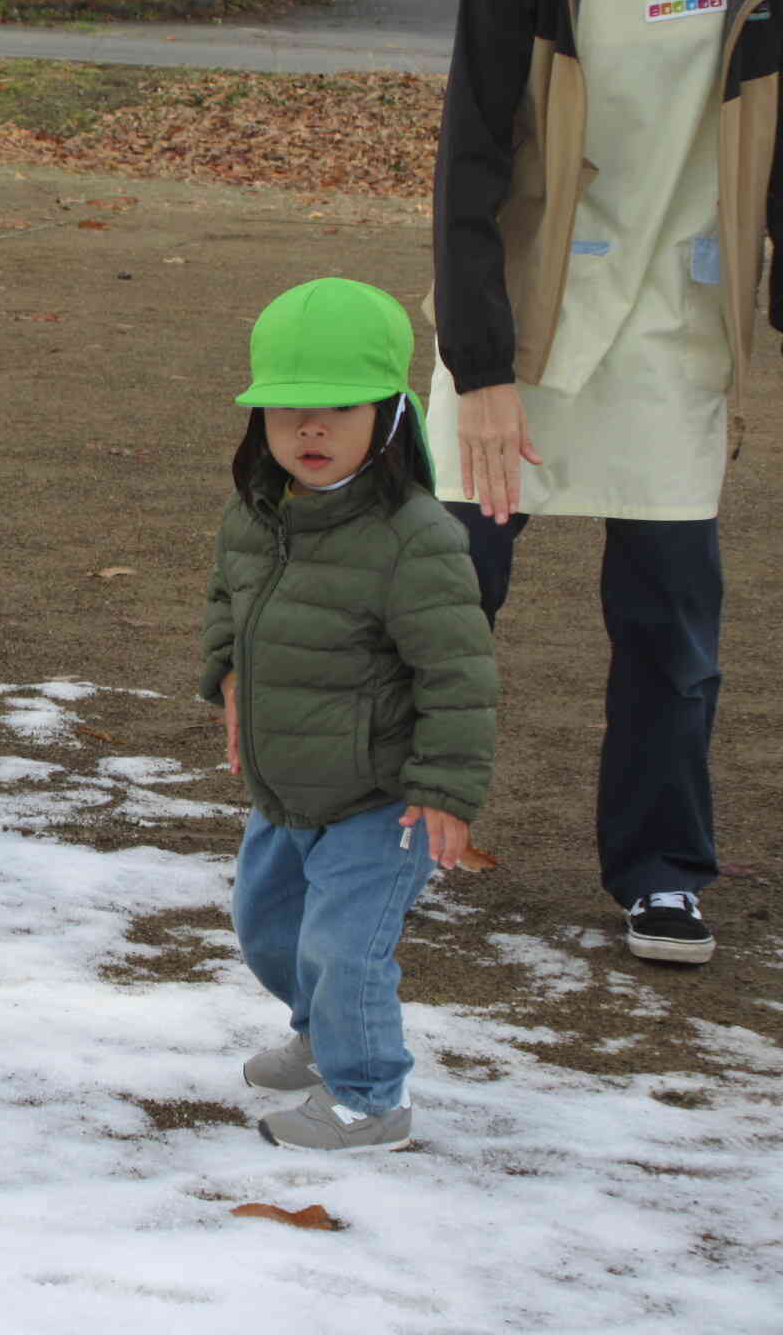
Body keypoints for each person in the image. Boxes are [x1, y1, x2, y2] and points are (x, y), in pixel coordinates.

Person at [429, 0, 777, 965]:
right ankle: (389, 830)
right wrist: (479, 368)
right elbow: (470, 145)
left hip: (673, 322)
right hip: (525, 313)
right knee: (445, 589)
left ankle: (662, 871)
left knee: (670, 620)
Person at [201, 279, 498, 1152]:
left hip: (384, 797)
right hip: (285, 785)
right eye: (286, 411)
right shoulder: (255, 513)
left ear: (391, 415)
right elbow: (227, 600)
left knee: (345, 947)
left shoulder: (415, 536)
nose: (310, 430)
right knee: (269, 928)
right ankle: (317, 1033)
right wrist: (223, 675)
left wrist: (445, 789)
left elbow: (459, 669)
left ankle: (370, 1099)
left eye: (337, 408)